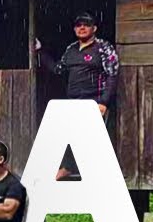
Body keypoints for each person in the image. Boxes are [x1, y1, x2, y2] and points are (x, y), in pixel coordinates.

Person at [33, 11, 120, 179]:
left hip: (94, 101)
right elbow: (58, 69)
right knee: (71, 135)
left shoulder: (103, 47)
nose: (82, 28)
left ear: (94, 28)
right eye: (79, 25)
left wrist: (104, 102)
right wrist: (40, 51)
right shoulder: (71, 49)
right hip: (73, 101)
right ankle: (68, 167)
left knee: (92, 138)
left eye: (86, 25)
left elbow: (112, 74)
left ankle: (93, 173)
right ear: (74, 29)